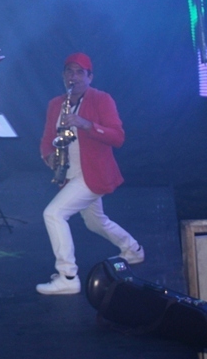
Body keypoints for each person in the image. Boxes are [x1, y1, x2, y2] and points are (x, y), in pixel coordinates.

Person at [37, 52, 144, 295]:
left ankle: (67, 276)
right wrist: (49, 156)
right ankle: (133, 250)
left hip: (93, 174)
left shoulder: (101, 99)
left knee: (53, 214)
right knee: (96, 222)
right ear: (63, 75)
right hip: (70, 174)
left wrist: (86, 124)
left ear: (90, 77)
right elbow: (46, 139)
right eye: (69, 71)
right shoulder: (55, 104)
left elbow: (118, 137)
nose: (73, 77)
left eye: (79, 72)